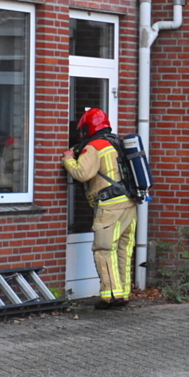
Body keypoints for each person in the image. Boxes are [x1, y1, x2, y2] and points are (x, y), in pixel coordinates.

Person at [62, 108, 137, 309]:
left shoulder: (95, 147)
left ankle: (110, 296)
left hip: (110, 207)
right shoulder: (116, 143)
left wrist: (69, 157)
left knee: (104, 250)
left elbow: (82, 173)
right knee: (123, 250)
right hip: (129, 204)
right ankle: (123, 293)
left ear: (88, 128)